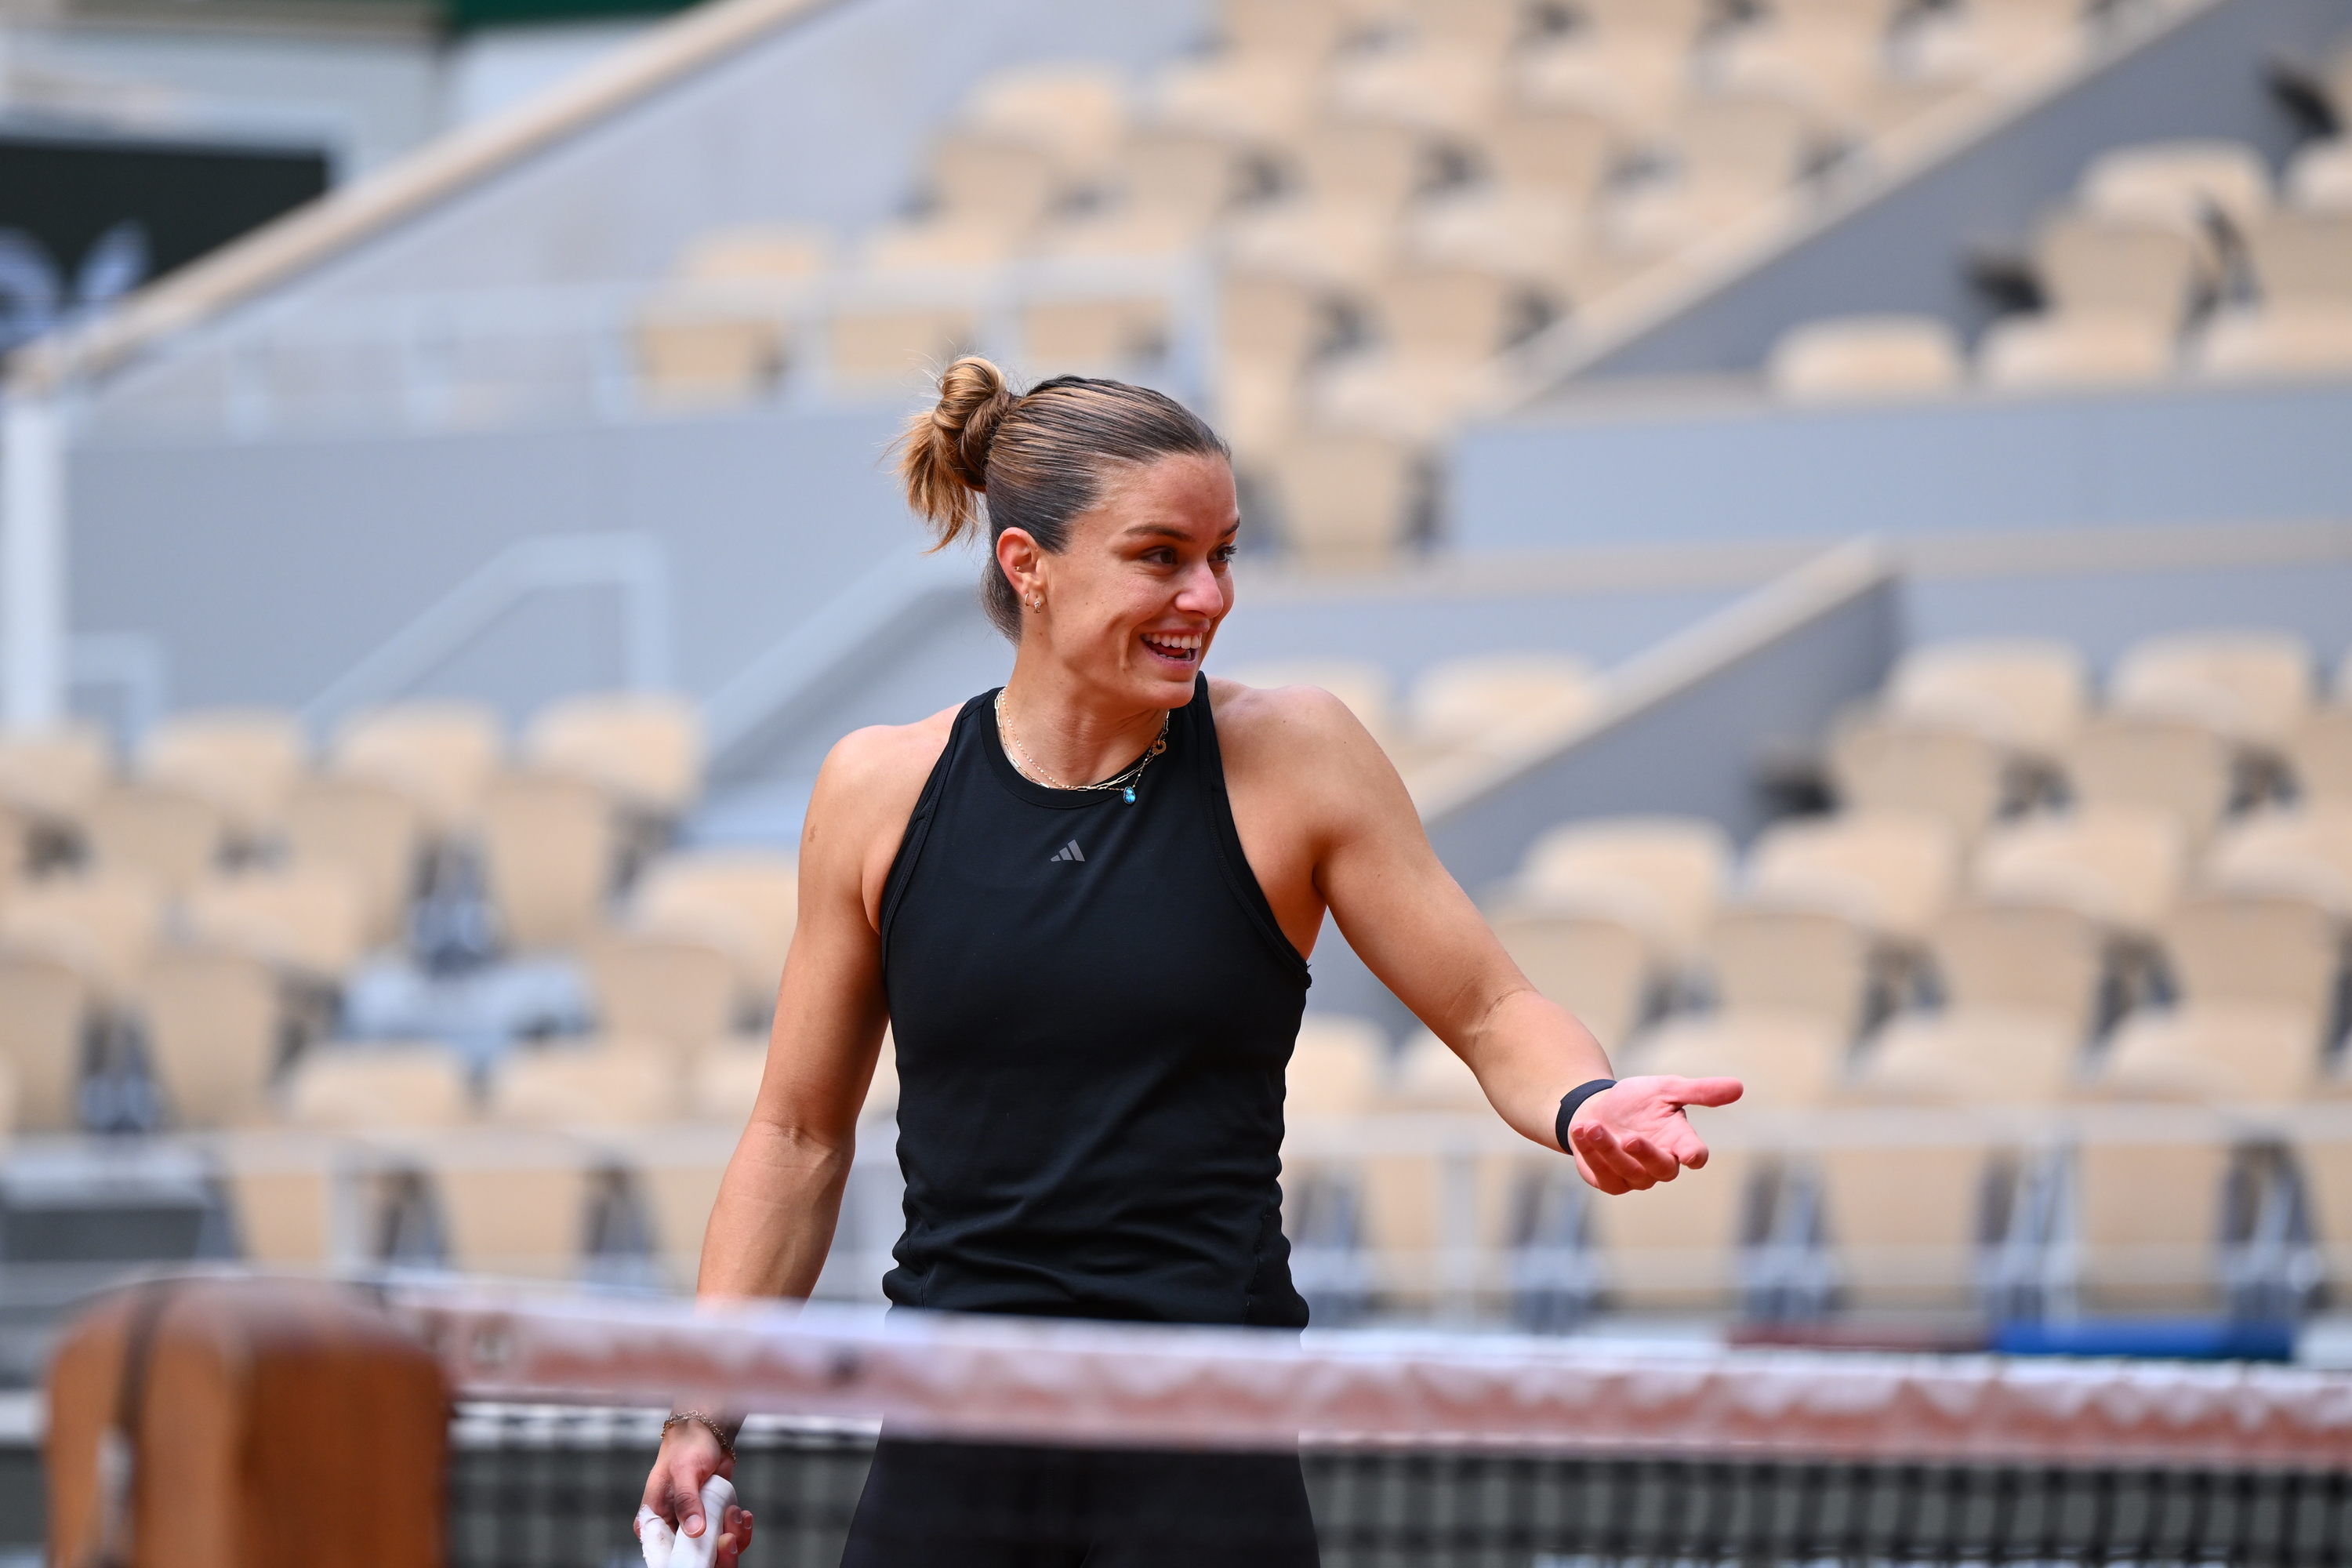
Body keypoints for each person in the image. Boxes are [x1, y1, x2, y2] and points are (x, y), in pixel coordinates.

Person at [638, 358, 1743, 1566]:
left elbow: (1490, 1009)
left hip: (1208, 1437)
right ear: (1030, 567)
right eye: (1162, 555)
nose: (1207, 595)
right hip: (954, 1429)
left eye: (1224, 553)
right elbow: (797, 1136)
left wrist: (1585, 1100)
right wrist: (706, 1414)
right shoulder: (875, 789)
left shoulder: (1298, 755)